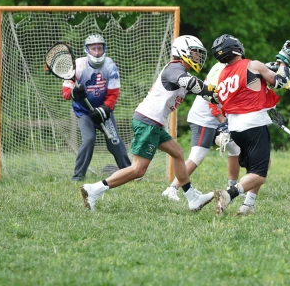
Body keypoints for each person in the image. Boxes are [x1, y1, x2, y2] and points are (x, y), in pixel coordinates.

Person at [80, 35, 216, 212]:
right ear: (183, 52)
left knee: (177, 152)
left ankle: (192, 198)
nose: (198, 57)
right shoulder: (175, 68)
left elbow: (197, 89)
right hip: (148, 121)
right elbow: (189, 82)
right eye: (195, 53)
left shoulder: (179, 70)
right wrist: (210, 91)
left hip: (153, 122)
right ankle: (94, 189)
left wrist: (214, 95)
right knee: (138, 170)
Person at [207, 34, 290, 216]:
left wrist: (270, 68)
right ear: (237, 48)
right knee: (259, 174)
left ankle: (248, 205)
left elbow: (251, 84)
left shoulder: (223, 74)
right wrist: (285, 61)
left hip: (236, 127)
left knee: (260, 165)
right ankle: (228, 195)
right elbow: (282, 81)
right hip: (254, 124)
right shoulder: (252, 64)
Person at [161, 62, 241, 202]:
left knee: (235, 149)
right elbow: (211, 98)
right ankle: (172, 189)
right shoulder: (221, 69)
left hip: (216, 118)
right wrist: (222, 122)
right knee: (197, 156)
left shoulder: (229, 67)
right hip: (205, 118)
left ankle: (232, 188)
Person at [63, 34, 131, 181]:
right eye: (93, 49)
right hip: (84, 112)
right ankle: (78, 176)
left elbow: (113, 93)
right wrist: (74, 93)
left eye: (99, 48)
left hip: (103, 111)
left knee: (114, 140)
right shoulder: (78, 65)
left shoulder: (110, 65)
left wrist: (105, 109)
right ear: (87, 50)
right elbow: (66, 91)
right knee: (89, 140)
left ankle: (129, 172)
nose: (97, 52)